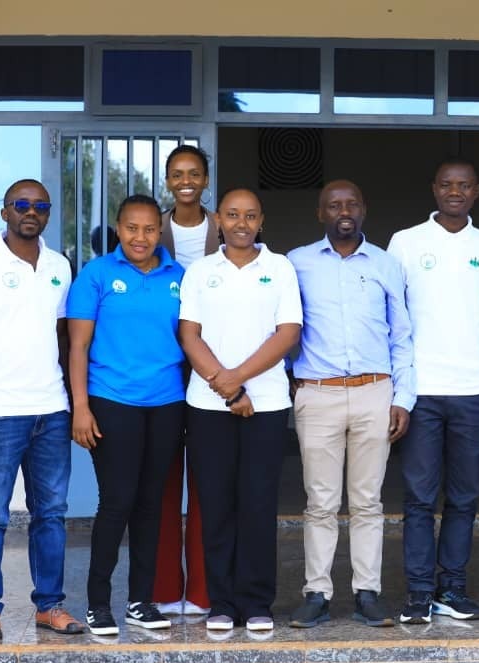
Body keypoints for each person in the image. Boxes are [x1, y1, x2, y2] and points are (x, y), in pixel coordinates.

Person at [0, 178, 84, 640]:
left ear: (48, 213)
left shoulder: (59, 266)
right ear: (4, 212)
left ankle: (50, 605)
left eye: (40, 205)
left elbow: (65, 338)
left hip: (51, 409)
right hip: (0, 412)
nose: (31, 211)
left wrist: (74, 402)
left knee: (51, 512)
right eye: (21, 204)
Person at [288, 180, 415, 629]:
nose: (344, 211)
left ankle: (367, 593)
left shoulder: (386, 264)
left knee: (367, 501)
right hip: (317, 392)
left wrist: (403, 397)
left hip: (373, 392)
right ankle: (317, 593)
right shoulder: (296, 263)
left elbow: (401, 336)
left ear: (364, 209)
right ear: (320, 213)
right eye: (334, 205)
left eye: (352, 204)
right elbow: (284, 329)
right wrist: (295, 383)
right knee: (320, 501)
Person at [387, 159, 479, 625]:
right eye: (447, 184)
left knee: (464, 497)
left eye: (464, 185)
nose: (455, 191)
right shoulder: (405, 242)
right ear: (434, 189)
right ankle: (419, 592)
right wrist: (399, 387)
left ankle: (452, 588)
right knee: (418, 498)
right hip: (421, 389)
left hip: (473, 389)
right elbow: (393, 318)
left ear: (476, 191)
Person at [178, 188, 302, 632]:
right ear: (218, 220)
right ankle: (222, 603)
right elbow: (189, 334)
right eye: (232, 215)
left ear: (261, 220)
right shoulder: (200, 271)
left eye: (250, 215)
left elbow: (287, 334)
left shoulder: (280, 268)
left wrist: (237, 378)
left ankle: (256, 603)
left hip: (266, 404)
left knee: (257, 504)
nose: (241, 223)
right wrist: (226, 387)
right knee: (216, 505)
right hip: (208, 407)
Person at [67, 195, 186, 636]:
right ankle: (99, 603)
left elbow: (190, 339)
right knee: (116, 501)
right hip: (111, 399)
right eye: (132, 228)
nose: (141, 237)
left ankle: (141, 600)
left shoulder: (179, 276)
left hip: (167, 401)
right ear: (119, 229)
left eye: (150, 229)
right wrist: (80, 406)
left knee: (151, 504)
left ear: (160, 231)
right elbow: (77, 347)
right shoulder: (97, 274)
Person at [154, 144, 220, 618]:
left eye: (194, 172)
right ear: (167, 179)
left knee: (207, 481)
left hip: (215, 368)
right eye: (177, 173)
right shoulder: (149, 228)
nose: (186, 180)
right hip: (159, 367)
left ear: (206, 177)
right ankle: (161, 589)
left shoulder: (228, 224)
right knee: (159, 481)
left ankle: (201, 592)